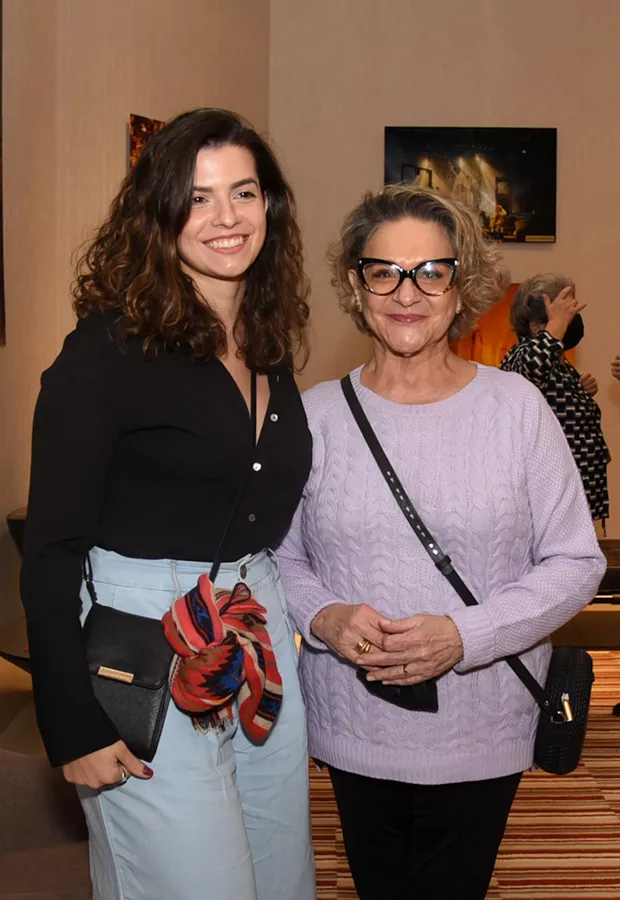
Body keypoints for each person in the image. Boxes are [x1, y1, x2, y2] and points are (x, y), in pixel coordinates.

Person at [276, 185, 605, 900]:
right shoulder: (316, 418)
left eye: (432, 271)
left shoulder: (516, 410)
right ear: (357, 287)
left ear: (461, 290)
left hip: (481, 724)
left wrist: (466, 634)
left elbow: (577, 559)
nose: (407, 292)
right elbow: (280, 555)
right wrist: (326, 617)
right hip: (352, 723)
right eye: (384, 270)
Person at [20, 108, 315, 900]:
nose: (225, 217)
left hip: (253, 637)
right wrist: (70, 720)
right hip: (138, 644)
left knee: (279, 879)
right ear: (157, 211)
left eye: (244, 193)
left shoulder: (269, 343)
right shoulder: (105, 353)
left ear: (271, 206)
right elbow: (49, 550)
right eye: (199, 196)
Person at [500, 275, 609, 527]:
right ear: (538, 326)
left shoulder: (558, 361)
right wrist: (556, 328)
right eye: (565, 314)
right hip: (549, 499)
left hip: (573, 497)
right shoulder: (521, 354)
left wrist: (579, 394)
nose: (573, 320)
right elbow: (529, 369)